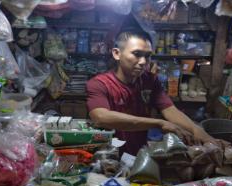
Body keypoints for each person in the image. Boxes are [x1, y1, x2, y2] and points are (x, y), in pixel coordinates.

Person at [86, 31, 215, 155]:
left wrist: (198, 131)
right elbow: (101, 117)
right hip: (108, 154)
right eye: (137, 54)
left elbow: (170, 110)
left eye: (147, 56)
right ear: (116, 53)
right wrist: (159, 123)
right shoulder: (99, 83)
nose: (143, 62)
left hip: (139, 153)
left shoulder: (149, 80)